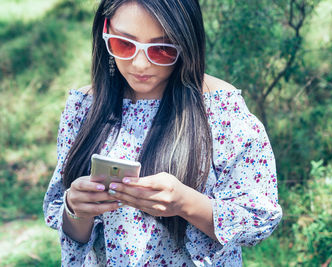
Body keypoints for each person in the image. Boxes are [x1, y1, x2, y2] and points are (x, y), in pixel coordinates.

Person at [43, 0, 282, 266]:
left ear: (186, 43)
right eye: (124, 44)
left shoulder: (220, 108)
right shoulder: (85, 105)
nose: (140, 64)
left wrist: (185, 203)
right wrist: (77, 209)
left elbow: (259, 217)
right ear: (105, 33)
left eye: (161, 49)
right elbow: (70, 229)